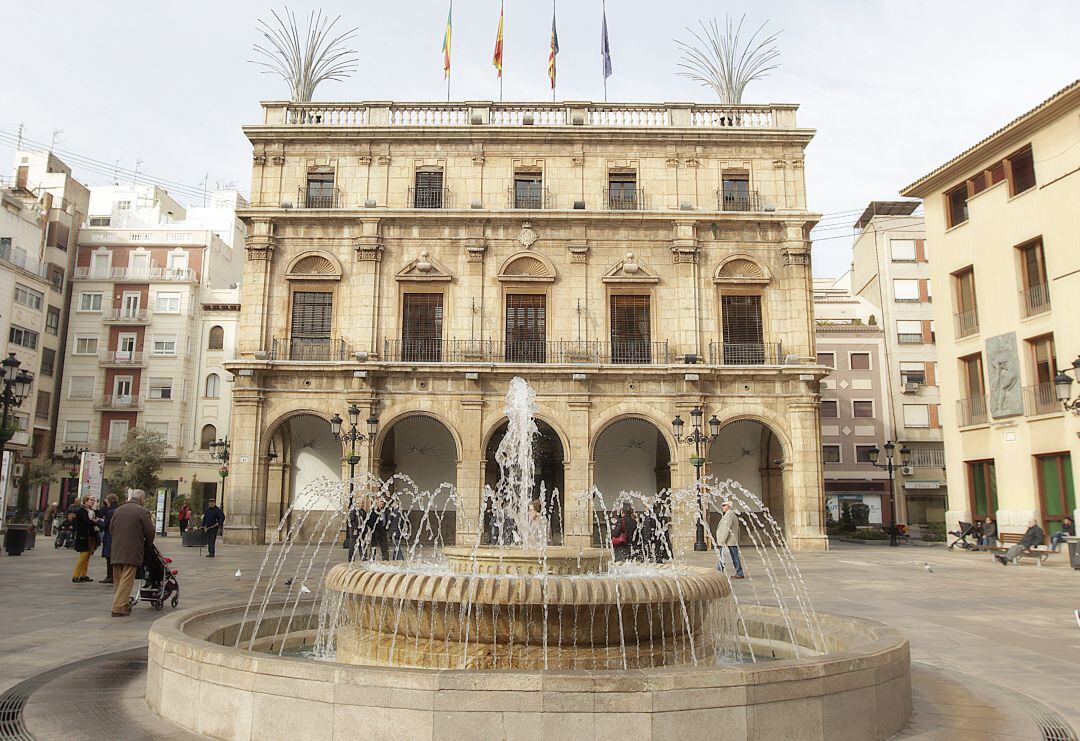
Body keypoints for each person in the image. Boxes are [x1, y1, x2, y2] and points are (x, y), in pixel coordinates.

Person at [109, 489, 155, 617]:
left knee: (118, 579)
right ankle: (118, 607)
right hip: (132, 549)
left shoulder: (118, 510)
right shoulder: (143, 511)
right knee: (127, 579)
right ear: (141, 499)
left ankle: (122, 603)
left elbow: (111, 528)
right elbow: (150, 532)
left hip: (117, 549)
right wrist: (147, 545)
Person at [71, 496, 99, 583]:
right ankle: (76, 575)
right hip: (83, 536)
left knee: (87, 556)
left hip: (90, 536)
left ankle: (83, 575)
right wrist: (95, 522)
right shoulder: (81, 511)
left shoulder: (91, 511)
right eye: (91, 500)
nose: (93, 502)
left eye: (93, 500)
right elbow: (86, 521)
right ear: (85, 501)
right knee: (83, 556)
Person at [715, 501, 745, 579]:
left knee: (726, 557)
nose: (722, 507)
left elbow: (726, 528)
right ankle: (738, 572)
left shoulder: (729, 514)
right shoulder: (731, 514)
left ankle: (719, 572)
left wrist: (723, 540)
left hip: (728, 541)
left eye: (724, 505)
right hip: (731, 541)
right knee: (730, 557)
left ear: (729, 506)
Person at [98, 494, 120, 583]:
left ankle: (110, 576)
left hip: (109, 536)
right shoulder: (119, 509)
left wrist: (98, 522)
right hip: (117, 536)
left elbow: (106, 525)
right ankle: (115, 575)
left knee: (109, 556)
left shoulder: (110, 511)